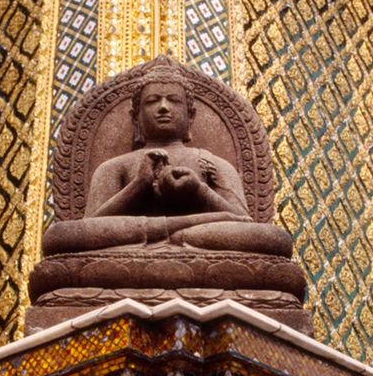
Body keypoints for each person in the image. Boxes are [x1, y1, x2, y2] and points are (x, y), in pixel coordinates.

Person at [41, 66, 292, 256]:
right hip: (168, 248)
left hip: (181, 243)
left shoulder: (211, 164)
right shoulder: (114, 167)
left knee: (275, 239)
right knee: (58, 237)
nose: (163, 107)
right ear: (136, 116)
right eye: (152, 101)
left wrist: (199, 191)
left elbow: (243, 221)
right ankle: (178, 233)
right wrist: (138, 186)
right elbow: (90, 227)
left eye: (173, 100)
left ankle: (178, 234)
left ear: (190, 115)